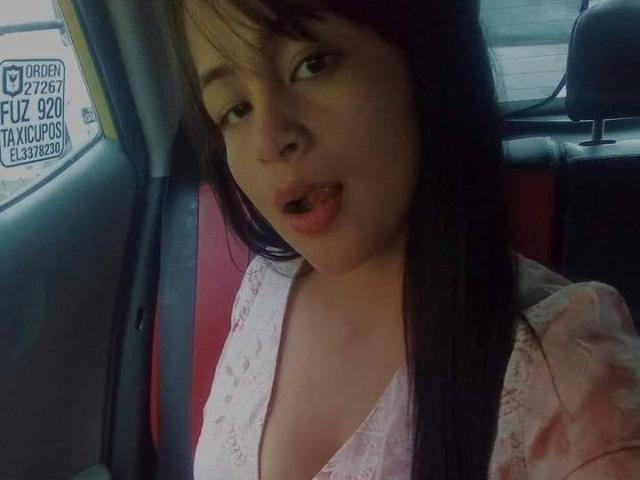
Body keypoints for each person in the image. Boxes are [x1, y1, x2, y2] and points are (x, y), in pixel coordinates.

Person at [164, 0, 640, 478]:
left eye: (312, 64)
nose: (269, 139)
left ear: (424, 59)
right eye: (236, 109)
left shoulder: (570, 377)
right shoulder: (266, 285)